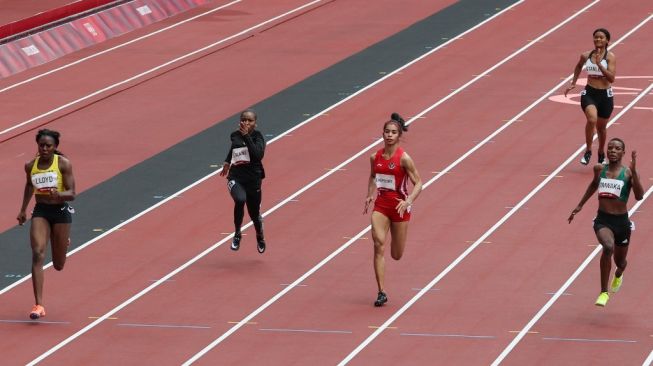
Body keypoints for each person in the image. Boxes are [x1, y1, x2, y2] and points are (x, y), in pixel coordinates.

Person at [568, 138, 643, 307]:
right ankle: (603, 292)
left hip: (622, 223)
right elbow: (593, 185)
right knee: (608, 247)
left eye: (617, 148)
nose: (613, 151)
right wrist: (579, 205)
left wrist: (635, 172)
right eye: (610, 148)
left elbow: (639, 196)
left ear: (623, 153)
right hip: (603, 220)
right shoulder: (599, 169)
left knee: (620, 262)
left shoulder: (629, 173)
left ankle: (618, 274)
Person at [364, 113, 422, 307]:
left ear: (399, 135)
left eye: (393, 132)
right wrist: (370, 194)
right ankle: (381, 291)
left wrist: (409, 201)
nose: (389, 135)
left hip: (399, 208)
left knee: (396, 254)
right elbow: (373, 176)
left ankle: (394, 242)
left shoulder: (404, 159)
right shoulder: (375, 157)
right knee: (378, 244)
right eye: (387, 132)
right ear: (382, 134)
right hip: (381, 205)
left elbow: (419, 182)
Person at [16, 129, 76, 319]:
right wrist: (23, 210)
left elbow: (72, 193)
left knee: (58, 265)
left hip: (60, 212)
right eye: (41, 145)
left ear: (55, 147)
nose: (44, 148)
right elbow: (28, 185)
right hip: (41, 211)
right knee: (37, 253)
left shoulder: (63, 164)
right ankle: (38, 305)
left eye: (48, 145)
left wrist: (59, 194)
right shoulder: (30, 166)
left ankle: (62, 241)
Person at [565, 28, 616, 165]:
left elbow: (611, 78)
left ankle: (600, 152)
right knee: (592, 120)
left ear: (607, 41)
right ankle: (588, 150)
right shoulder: (586, 55)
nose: (598, 40)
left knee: (601, 128)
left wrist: (599, 64)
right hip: (590, 93)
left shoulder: (610, 57)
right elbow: (578, 66)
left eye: (601, 37)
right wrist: (573, 82)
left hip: (605, 95)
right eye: (596, 37)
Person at [220, 109, 267, 253]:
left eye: (250, 120)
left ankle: (259, 235)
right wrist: (227, 162)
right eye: (244, 119)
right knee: (240, 200)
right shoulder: (235, 135)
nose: (246, 122)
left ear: (255, 123)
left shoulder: (258, 137)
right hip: (236, 177)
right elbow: (234, 148)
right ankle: (237, 234)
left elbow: (257, 155)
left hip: (253, 180)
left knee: (254, 215)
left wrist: (246, 135)